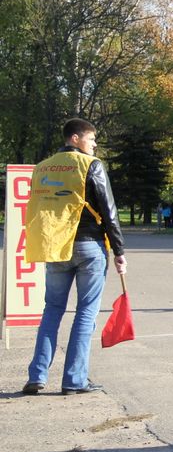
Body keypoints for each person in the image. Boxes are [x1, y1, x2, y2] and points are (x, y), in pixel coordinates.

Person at [22, 118, 127, 395]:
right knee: (86, 312)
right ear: (76, 138)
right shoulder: (90, 165)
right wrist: (119, 251)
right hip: (89, 247)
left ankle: (37, 375)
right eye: (92, 139)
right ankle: (74, 379)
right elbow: (109, 210)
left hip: (56, 247)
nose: (95, 145)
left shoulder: (42, 168)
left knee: (52, 310)